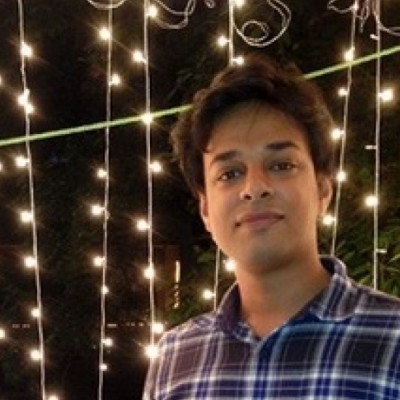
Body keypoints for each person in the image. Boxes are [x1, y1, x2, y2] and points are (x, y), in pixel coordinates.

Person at [142, 54, 400, 399]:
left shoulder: (392, 338)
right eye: (230, 173)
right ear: (205, 210)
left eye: (280, 165)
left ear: (323, 190)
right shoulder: (176, 358)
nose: (254, 187)